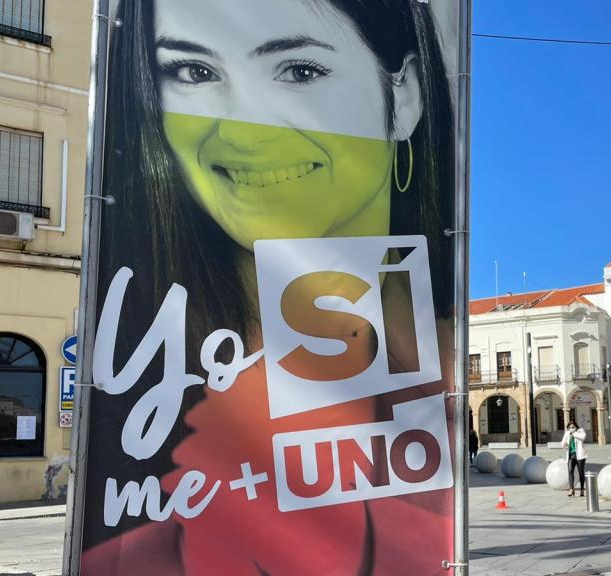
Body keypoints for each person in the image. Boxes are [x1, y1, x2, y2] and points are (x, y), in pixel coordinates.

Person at [82, 0, 457, 574]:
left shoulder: (438, 361)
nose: (246, 133)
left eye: (300, 71)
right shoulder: (142, 376)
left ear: (402, 95)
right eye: (194, 72)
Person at [560, 421, 587, 497]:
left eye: (572, 427)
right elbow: (563, 442)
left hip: (580, 456)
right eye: (569, 427)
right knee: (570, 471)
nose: (571, 428)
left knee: (581, 472)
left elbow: (583, 437)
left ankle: (582, 489)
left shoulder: (580, 431)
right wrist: (564, 445)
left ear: (575, 426)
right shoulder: (567, 433)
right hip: (571, 455)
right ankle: (571, 489)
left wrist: (574, 433)